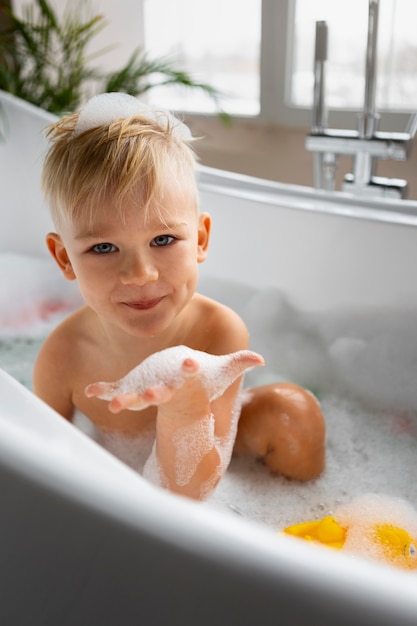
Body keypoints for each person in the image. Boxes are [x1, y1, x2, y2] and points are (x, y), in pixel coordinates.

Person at [34, 93, 325, 501]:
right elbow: (42, 468)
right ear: (64, 258)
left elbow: (193, 490)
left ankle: (306, 525)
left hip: (209, 459)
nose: (140, 274)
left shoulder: (216, 330)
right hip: (120, 474)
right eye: (103, 248)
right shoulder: (63, 355)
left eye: (163, 239)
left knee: (294, 412)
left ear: (200, 239)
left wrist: (186, 411)